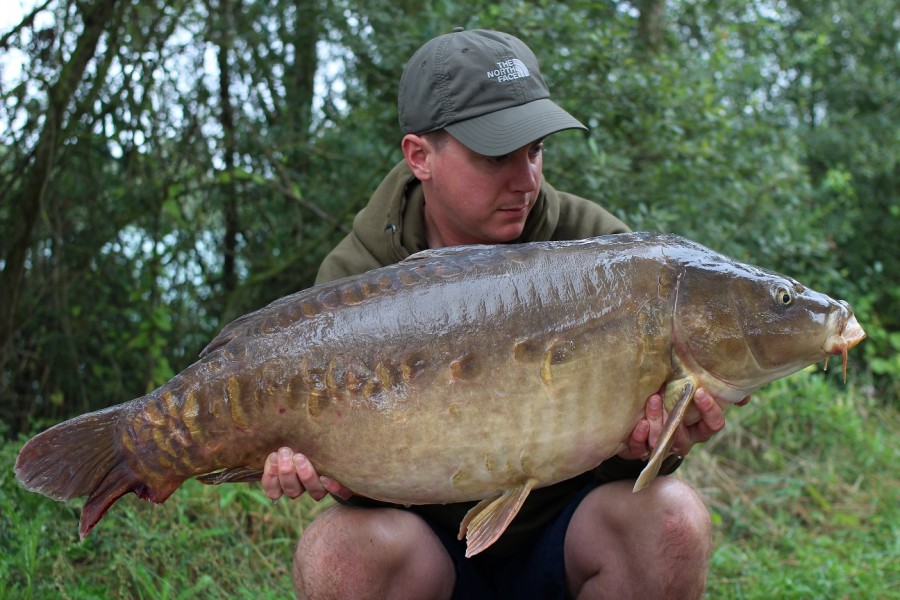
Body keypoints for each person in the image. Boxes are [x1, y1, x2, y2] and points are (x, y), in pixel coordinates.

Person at [262, 28, 730, 599]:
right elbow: (363, 485)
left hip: (568, 534)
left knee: (672, 520)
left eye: (535, 150)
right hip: (428, 550)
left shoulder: (604, 253)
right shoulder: (358, 279)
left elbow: (631, 460)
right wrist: (323, 469)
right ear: (420, 156)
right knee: (335, 553)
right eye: (495, 156)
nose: (527, 179)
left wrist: (652, 447)